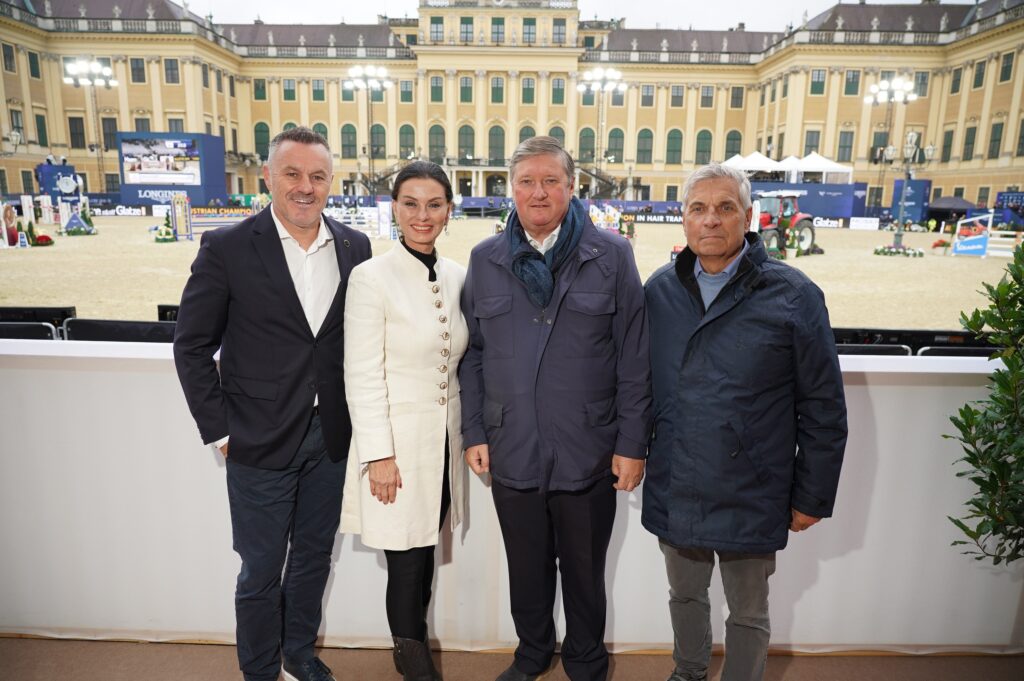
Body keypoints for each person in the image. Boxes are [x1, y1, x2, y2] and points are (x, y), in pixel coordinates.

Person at [173, 126, 371, 681]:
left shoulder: (357, 247)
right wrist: (221, 430)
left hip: (331, 437)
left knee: (312, 560)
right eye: (293, 174)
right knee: (260, 569)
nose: (305, 187)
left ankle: (299, 655)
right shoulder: (227, 246)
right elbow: (191, 346)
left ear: (331, 182)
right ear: (268, 177)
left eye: (317, 176)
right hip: (256, 439)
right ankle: (259, 671)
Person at [643, 163, 847, 681]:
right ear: (683, 219)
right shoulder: (658, 291)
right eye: (698, 208)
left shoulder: (794, 295)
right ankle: (687, 673)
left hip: (753, 486)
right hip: (679, 479)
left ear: (748, 216)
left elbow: (823, 405)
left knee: (748, 611)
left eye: (725, 207)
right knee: (684, 594)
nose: (711, 220)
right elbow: (638, 387)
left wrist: (811, 495)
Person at [459, 136, 652, 681]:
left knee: (586, 570)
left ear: (572, 187)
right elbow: (472, 355)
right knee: (526, 567)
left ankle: (587, 659)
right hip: (511, 445)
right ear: (511, 189)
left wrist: (632, 444)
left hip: (589, 449)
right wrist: (474, 431)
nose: (537, 192)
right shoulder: (486, 258)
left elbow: (634, 358)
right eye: (526, 181)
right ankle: (533, 651)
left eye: (550, 181)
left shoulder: (612, 255)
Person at [339, 161, 467, 681]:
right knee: (407, 562)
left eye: (434, 204)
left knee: (426, 553)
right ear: (394, 208)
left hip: (443, 448)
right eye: (410, 203)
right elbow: (361, 372)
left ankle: (410, 648)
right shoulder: (370, 277)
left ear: (448, 211)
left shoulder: (460, 275)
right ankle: (413, 661)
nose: (422, 214)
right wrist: (378, 455)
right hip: (394, 448)